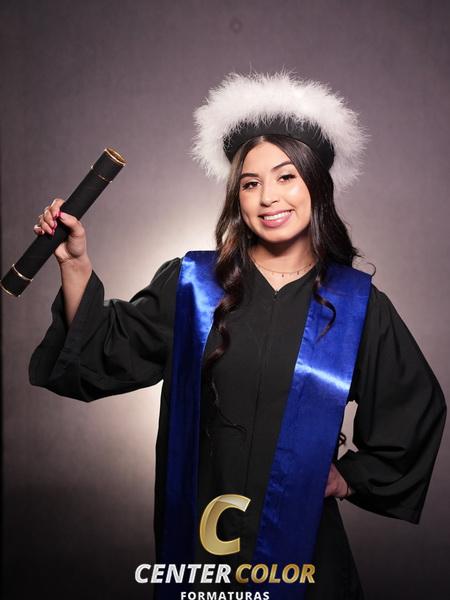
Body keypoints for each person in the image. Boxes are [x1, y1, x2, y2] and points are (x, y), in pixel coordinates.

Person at [29, 72, 446, 600]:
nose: (268, 197)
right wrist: (75, 265)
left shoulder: (355, 304)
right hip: (204, 546)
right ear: (237, 197)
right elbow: (103, 351)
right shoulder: (194, 287)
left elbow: (412, 409)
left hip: (303, 556)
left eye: (286, 176)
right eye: (250, 184)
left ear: (316, 185)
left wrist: (347, 477)